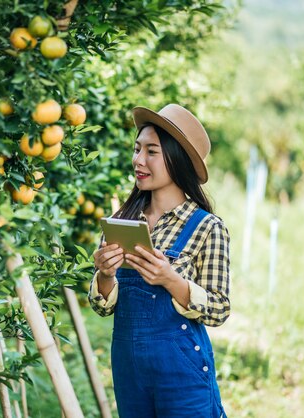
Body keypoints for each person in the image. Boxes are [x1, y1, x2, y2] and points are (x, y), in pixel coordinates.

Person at [88, 104, 230, 418]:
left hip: (181, 372)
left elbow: (219, 309)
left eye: (151, 151)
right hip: (129, 371)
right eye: (137, 149)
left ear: (177, 160)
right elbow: (102, 306)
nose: (138, 160)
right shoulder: (121, 223)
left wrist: (170, 279)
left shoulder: (207, 228)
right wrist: (105, 274)